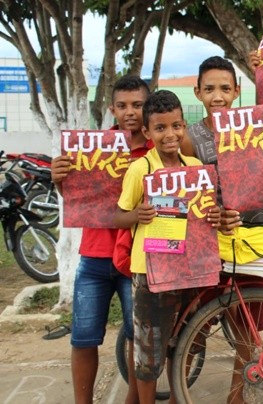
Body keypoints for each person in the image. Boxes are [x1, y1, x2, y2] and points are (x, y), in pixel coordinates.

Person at [180, 55, 263, 404]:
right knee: (195, 323)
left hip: (253, 235)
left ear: (237, 91)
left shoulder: (258, 126)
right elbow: (186, 194)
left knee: (245, 322)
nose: (217, 96)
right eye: (209, 88)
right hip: (207, 240)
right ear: (197, 92)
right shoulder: (189, 139)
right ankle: (177, 388)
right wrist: (214, 214)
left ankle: (236, 395)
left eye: (225, 88)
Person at [113, 90, 221, 404]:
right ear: (147, 132)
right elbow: (119, 215)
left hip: (189, 269)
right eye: (160, 128)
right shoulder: (141, 170)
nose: (170, 134)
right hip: (151, 273)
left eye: (175, 126)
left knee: (185, 340)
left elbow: (202, 212)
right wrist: (136, 214)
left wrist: (212, 213)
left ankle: (177, 399)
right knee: (149, 352)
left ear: (183, 126)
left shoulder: (194, 165)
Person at [51, 75, 152, 404]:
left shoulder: (157, 149)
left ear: (147, 107)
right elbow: (75, 199)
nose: (130, 112)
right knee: (83, 338)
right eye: (122, 106)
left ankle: (132, 400)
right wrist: (59, 180)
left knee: (137, 339)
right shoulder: (92, 147)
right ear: (112, 109)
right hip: (93, 258)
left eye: (137, 105)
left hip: (135, 258)